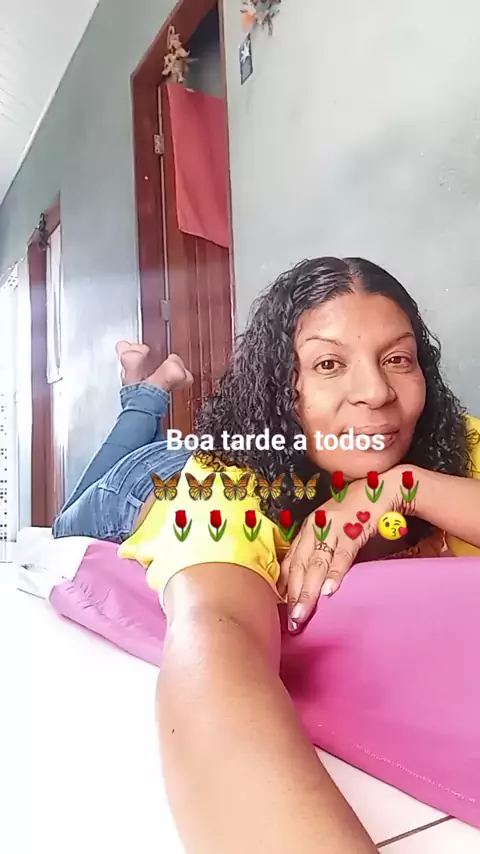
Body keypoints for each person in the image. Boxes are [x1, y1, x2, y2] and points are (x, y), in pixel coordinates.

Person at [55, 257, 480, 854]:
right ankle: (142, 397)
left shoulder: (447, 442)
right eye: (329, 364)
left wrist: (401, 486)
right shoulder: (222, 487)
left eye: (397, 359)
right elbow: (216, 638)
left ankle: (145, 389)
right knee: (64, 516)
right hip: (143, 484)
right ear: (283, 384)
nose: (377, 392)